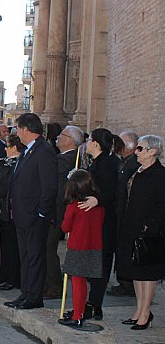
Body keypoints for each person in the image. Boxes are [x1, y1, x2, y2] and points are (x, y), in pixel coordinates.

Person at [5, 113, 57, 310]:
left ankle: (34, 297)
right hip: (22, 214)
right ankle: (26, 293)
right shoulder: (28, 150)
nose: (17, 133)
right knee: (25, 256)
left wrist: (42, 214)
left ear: (26, 129)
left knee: (35, 256)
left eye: (18, 129)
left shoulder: (44, 151)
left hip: (35, 216)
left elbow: (49, 186)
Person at [116, 135, 165, 330]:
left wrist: (149, 227)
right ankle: (139, 310)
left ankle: (146, 312)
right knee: (135, 271)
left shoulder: (160, 175)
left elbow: (161, 206)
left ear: (152, 151)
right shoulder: (137, 170)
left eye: (140, 149)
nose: (136, 152)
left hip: (148, 232)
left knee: (148, 273)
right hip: (131, 226)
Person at [78, 128, 119, 320]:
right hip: (95, 221)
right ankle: (92, 304)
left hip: (104, 222)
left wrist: (98, 200)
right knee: (95, 264)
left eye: (89, 140)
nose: (86, 143)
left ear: (95, 143)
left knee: (100, 264)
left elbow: (111, 192)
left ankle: (94, 304)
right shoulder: (98, 161)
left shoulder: (108, 163)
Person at [59, 170, 105, 329]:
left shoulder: (73, 206)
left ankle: (78, 316)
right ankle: (79, 311)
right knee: (84, 282)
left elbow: (65, 227)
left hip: (78, 247)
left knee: (77, 283)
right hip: (94, 247)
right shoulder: (98, 207)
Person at [45, 125, 83, 299]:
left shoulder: (68, 160)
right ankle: (49, 283)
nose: (58, 137)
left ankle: (54, 286)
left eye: (62, 135)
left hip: (58, 210)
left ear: (70, 141)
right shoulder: (64, 158)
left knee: (48, 248)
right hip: (56, 209)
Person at [0, 134, 25, 291]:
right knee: (6, 245)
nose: (4, 149)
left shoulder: (17, 164)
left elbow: (5, 188)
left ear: (14, 147)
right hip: (4, 211)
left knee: (12, 247)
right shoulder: (4, 163)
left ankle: (12, 278)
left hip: (12, 211)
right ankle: (4, 275)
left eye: (7, 146)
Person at [108, 131, 140, 297]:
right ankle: (124, 281)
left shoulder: (133, 164)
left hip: (126, 214)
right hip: (120, 212)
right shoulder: (125, 162)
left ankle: (127, 283)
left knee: (126, 250)